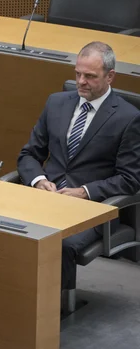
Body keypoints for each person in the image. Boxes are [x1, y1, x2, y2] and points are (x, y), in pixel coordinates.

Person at [17, 41, 140, 291]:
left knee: (58, 242)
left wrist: (84, 191)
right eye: (78, 74)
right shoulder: (56, 103)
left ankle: (57, 308)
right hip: (46, 197)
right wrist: (39, 180)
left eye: (90, 76)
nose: (81, 81)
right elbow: (29, 154)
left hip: (91, 208)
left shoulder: (128, 118)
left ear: (110, 77)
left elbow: (130, 179)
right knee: (2, 225)